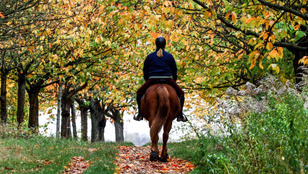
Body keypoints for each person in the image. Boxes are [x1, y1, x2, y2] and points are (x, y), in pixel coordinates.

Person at [134, 36, 188, 122]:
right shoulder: (169, 56)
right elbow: (174, 71)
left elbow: (145, 71)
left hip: (152, 79)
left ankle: (140, 114)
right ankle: (180, 115)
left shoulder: (150, 56)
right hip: (168, 79)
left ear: (155, 44)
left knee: (139, 92)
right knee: (181, 93)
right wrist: (173, 81)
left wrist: (147, 80)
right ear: (165, 45)